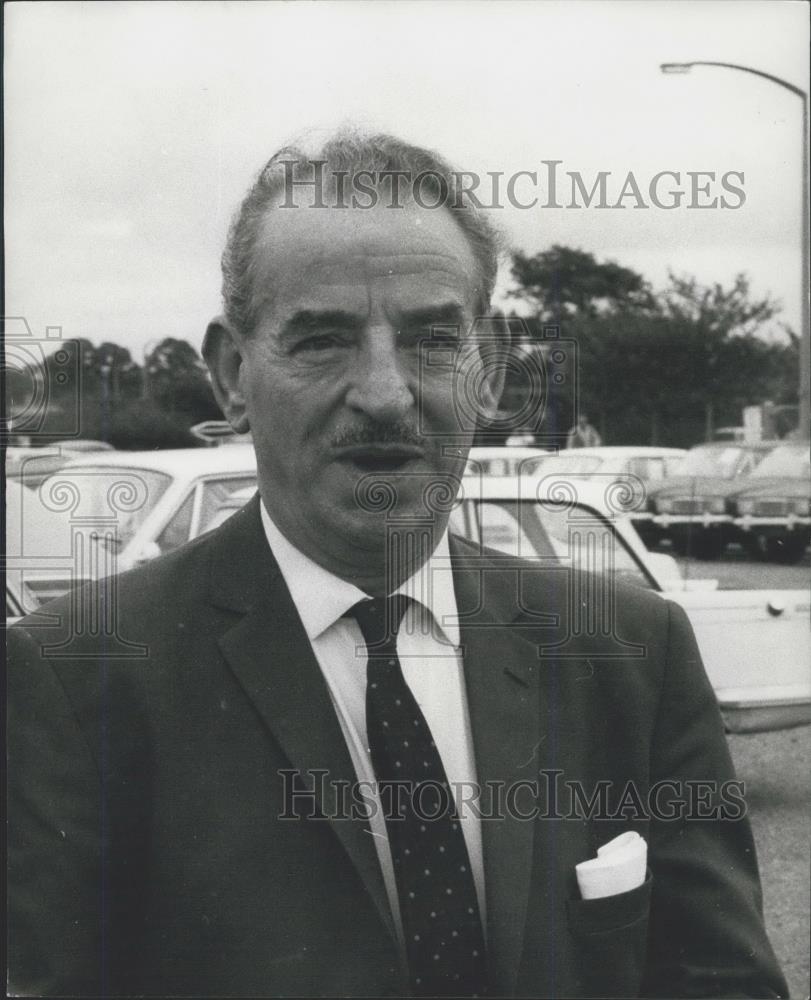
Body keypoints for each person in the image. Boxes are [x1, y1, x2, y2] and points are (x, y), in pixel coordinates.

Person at [8, 131, 787, 999]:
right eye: (322, 340)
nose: (383, 392)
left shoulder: (633, 655)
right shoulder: (77, 679)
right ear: (232, 373)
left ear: (487, 370)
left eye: (429, 338)